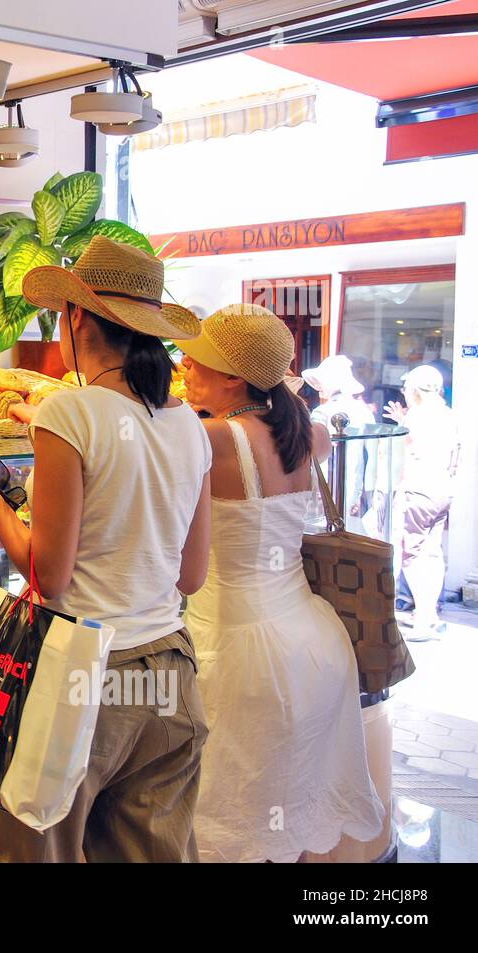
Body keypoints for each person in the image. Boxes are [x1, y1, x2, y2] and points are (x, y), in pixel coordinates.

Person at [0, 235, 213, 863]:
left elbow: (49, 572)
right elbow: (192, 574)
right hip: (169, 678)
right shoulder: (189, 424)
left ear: (76, 317)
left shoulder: (68, 412)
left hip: (82, 680)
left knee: (32, 854)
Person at [175, 304, 383, 863]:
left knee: (220, 816)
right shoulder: (311, 433)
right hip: (312, 644)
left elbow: (184, 562)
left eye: (195, 361)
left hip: (238, 651)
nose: (183, 367)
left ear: (233, 377)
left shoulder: (213, 438)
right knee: (277, 811)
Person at [385, 365, 460, 641]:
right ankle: (430, 614)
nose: (404, 392)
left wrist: (398, 491)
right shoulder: (447, 414)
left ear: (415, 390)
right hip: (442, 490)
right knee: (433, 552)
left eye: (406, 388)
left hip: (418, 490)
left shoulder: (418, 416)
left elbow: (407, 455)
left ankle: (424, 618)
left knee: (411, 554)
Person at [301, 354, 378, 533]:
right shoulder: (363, 411)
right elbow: (372, 456)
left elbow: (311, 452)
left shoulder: (323, 412)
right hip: (353, 483)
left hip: (325, 482)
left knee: (325, 533)